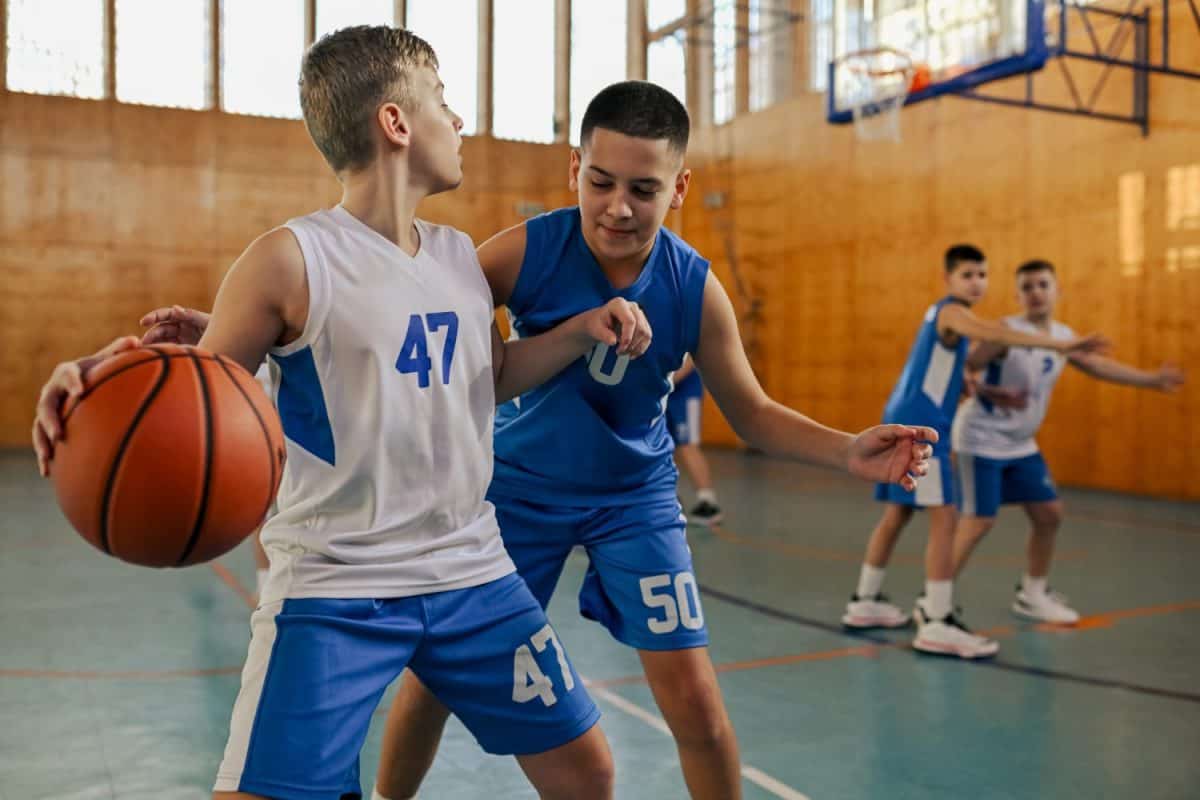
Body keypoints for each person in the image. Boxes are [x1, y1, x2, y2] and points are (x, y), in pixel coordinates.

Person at [32, 26, 660, 800]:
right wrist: (95, 379)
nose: (459, 121)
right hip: (336, 583)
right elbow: (198, 389)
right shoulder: (291, 259)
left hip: (472, 570)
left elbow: (488, 376)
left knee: (588, 769)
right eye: (443, 103)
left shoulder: (459, 257)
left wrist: (578, 331)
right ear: (396, 123)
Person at [372, 81, 938, 800]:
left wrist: (847, 448)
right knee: (435, 679)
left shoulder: (693, 287)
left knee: (698, 707)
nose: (618, 206)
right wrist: (290, 336)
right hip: (514, 494)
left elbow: (754, 413)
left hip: (632, 502)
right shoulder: (517, 255)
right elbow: (408, 317)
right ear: (574, 169)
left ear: (680, 188)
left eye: (644, 189)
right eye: (602, 181)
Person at [841, 245, 1108, 660]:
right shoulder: (953, 313)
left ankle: (864, 600)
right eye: (968, 275)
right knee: (945, 519)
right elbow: (996, 334)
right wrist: (1058, 345)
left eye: (982, 275)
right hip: (924, 425)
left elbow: (952, 373)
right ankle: (937, 622)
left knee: (899, 514)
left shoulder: (946, 319)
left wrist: (985, 389)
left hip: (911, 416)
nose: (977, 282)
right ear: (948, 279)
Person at [950, 258, 1185, 623]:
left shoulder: (1062, 337)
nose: (1036, 292)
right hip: (981, 439)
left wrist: (1151, 380)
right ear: (1017, 295)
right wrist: (989, 390)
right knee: (979, 521)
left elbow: (1098, 366)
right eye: (1027, 287)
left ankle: (1032, 594)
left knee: (1049, 514)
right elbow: (962, 370)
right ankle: (935, 600)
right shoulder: (1004, 332)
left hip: (1021, 443)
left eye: (1043, 284)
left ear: (1058, 291)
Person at [668, 355, 723, 525]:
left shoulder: (686, 328)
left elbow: (692, 355)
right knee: (660, 443)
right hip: (662, 390)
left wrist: (670, 381)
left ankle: (708, 502)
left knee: (687, 445)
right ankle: (668, 496)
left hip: (684, 391)